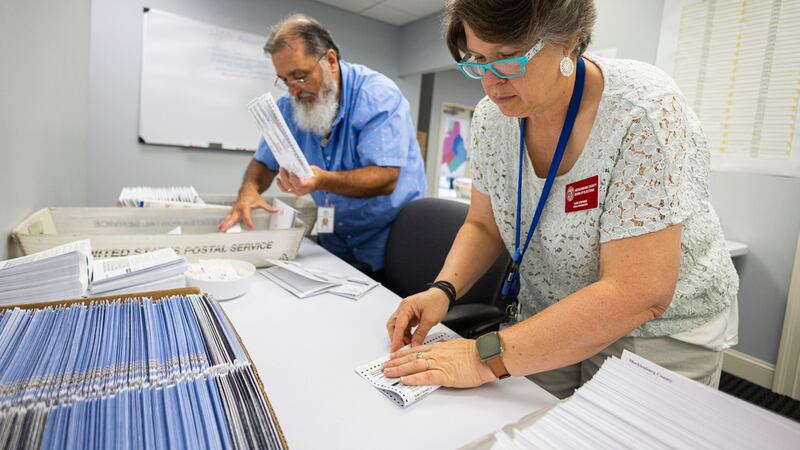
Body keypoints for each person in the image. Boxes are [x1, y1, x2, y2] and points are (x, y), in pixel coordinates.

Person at [383, 0, 739, 398]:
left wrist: (479, 358)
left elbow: (638, 293)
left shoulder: (644, 111)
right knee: (521, 420)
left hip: (655, 329)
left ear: (569, 42)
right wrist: (443, 290)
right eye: (478, 59)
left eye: (508, 58)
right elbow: (484, 224)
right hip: (551, 311)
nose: (490, 83)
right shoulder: (491, 117)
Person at [219, 14, 426, 282]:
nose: (293, 91)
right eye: (284, 80)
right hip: (334, 242)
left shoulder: (377, 96)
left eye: (300, 76)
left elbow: (385, 178)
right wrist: (248, 191)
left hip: (389, 242)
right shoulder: (288, 106)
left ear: (330, 60)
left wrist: (321, 180)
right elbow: (262, 163)